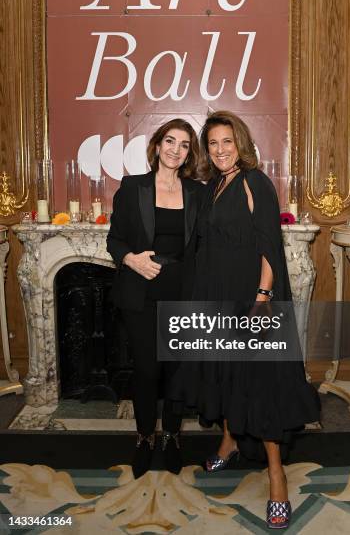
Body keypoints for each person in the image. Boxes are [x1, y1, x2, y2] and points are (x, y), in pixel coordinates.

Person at [190, 110, 320, 529]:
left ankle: (277, 475)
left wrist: (263, 297)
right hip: (218, 295)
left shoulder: (254, 181)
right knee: (226, 371)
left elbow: (269, 244)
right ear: (207, 150)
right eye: (213, 143)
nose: (221, 149)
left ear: (240, 143)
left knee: (260, 380)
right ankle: (228, 441)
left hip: (251, 296)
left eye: (227, 141)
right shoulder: (214, 184)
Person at [107, 118, 204, 479]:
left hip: (182, 290)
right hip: (140, 290)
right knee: (147, 370)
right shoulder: (132, 187)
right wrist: (132, 260)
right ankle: (145, 437)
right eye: (170, 141)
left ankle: (172, 438)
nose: (175, 149)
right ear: (158, 144)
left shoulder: (197, 192)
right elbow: (114, 240)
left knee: (177, 371)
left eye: (183, 144)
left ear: (189, 153)